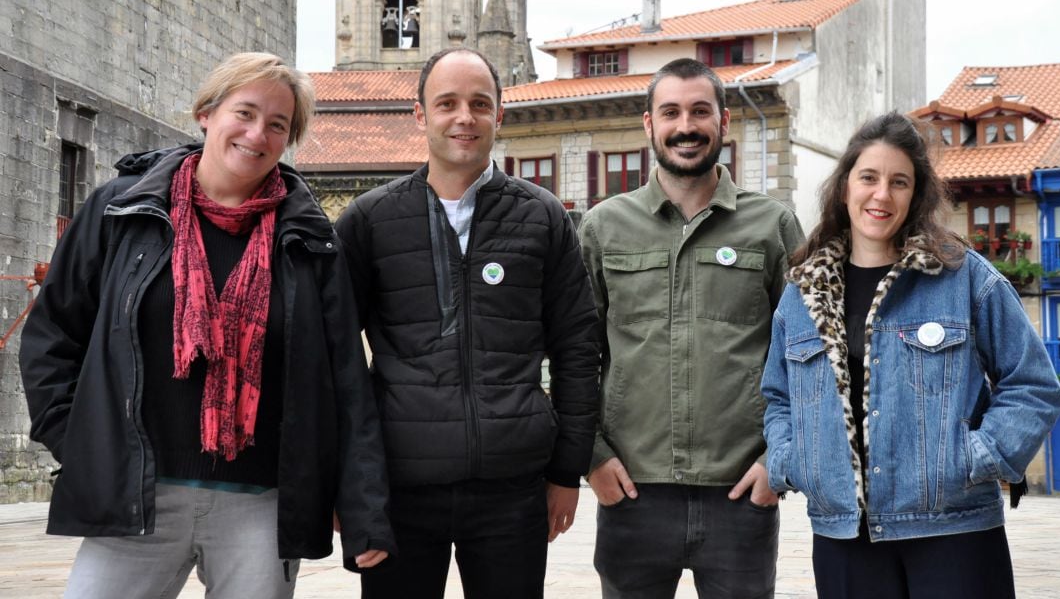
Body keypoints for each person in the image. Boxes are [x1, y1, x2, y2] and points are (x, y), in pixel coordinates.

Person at [19, 52, 394, 599]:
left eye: (277, 124)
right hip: (135, 494)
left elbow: (345, 381)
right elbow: (53, 335)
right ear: (206, 114)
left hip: (260, 504)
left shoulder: (311, 241)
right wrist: (81, 443)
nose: (256, 133)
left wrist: (363, 504)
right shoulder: (121, 211)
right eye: (244, 113)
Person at [760, 111, 1060, 599]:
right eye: (869, 178)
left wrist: (975, 457)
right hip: (843, 534)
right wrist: (794, 461)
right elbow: (777, 397)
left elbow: (1032, 384)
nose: (882, 194)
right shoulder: (801, 296)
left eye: (899, 182)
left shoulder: (965, 277)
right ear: (844, 188)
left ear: (915, 195)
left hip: (954, 529)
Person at [334, 47, 600, 599]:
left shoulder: (541, 216)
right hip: (399, 488)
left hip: (513, 488)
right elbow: (335, 360)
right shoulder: (370, 221)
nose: (464, 118)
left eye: (480, 104)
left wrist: (565, 471)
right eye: (447, 103)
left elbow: (577, 348)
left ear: (499, 115)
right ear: (419, 114)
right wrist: (348, 484)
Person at [578, 57, 805, 599]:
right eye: (671, 112)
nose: (686, 126)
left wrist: (781, 461)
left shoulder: (772, 226)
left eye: (700, 111)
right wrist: (591, 457)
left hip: (741, 496)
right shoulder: (603, 228)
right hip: (631, 493)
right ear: (649, 124)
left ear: (723, 123)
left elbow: (811, 354)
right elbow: (572, 355)